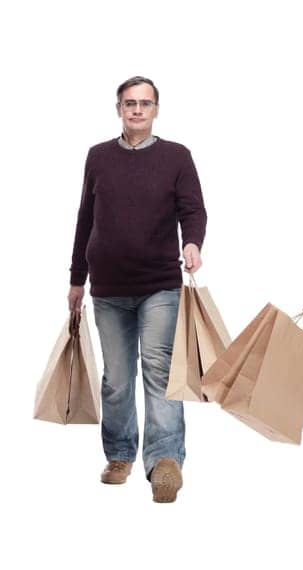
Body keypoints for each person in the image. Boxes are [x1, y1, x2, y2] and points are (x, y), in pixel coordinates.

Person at [68, 76, 208, 504]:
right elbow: (85, 217)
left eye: (145, 104)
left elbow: (193, 209)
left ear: (156, 110)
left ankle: (165, 460)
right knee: (116, 379)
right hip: (108, 286)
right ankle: (120, 455)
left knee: (160, 370)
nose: (137, 110)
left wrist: (192, 242)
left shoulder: (176, 156)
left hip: (158, 285)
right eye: (130, 103)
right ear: (118, 109)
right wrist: (77, 279)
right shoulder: (98, 157)